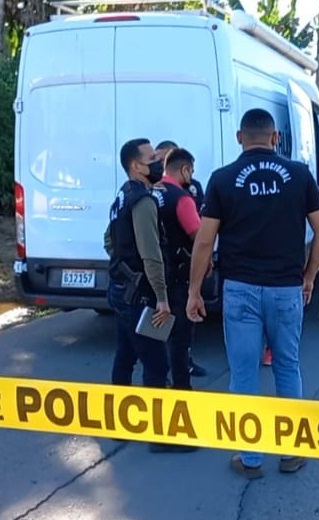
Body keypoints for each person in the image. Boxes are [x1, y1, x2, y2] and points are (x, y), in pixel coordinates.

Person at [186, 108, 319, 479]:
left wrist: (193, 292)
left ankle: (249, 458)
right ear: (275, 138)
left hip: (240, 290)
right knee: (287, 366)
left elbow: (204, 241)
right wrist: (309, 275)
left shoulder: (222, 179)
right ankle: (291, 452)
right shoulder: (299, 175)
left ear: (239, 138)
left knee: (244, 373)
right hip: (286, 288)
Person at [104, 138, 192, 453]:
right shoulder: (142, 200)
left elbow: (108, 240)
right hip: (141, 292)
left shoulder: (122, 196)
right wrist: (162, 297)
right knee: (156, 364)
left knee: (125, 356)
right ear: (135, 166)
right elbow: (151, 253)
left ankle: (118, 425)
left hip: (120, 289)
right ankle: (162, 435)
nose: (157, 160)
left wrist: (121, 266)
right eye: (151, 156)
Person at [155, 140, 208, 378]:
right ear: (184, 169)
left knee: (155, 330)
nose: (192, 176)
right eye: (192, 171)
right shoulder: (182, 198)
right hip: (178, 274)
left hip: (153, 273)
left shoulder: (151, 191)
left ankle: (156, 378)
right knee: (180, 334)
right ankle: (181, 386)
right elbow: (199, 237)